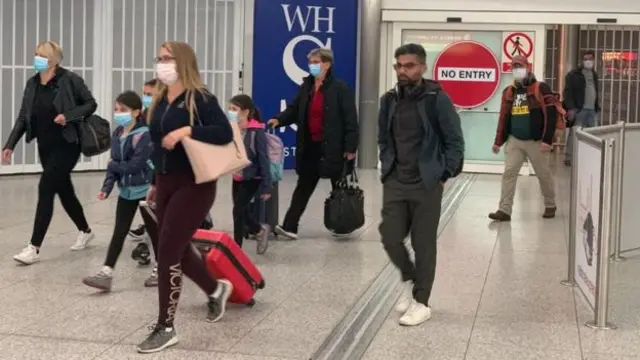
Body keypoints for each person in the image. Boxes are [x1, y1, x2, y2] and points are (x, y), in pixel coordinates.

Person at [136, 41, 233, 354]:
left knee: (167, 251)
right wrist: (154, 182)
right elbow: (156, 144)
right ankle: (216, 289)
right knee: (176, 248)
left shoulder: (200, 97)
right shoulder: (161, 100)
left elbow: (224, 132)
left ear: (184, 63)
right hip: (165, 182)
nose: (162, 63)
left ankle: (166, 326)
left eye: (168, 58)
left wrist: (187, 131)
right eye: (160, 58)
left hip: (195, 183)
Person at [378, 43, 464, 326]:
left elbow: (454, 140)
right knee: (390, 236)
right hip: (396, 180)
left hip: (426, 182)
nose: (403, 70)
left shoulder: (436, 98)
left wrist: (444, 173)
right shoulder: (388, 100)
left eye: (409, 65)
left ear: (422, 67)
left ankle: (421, 301)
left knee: (423, 243)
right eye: (399, 65)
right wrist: (387, 165)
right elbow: (383, 137)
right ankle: (410, 278)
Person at [2, 40, 96, 265]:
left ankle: (33, 247)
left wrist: (68, 115)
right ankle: (85, 230)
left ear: (53, 60)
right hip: (45, 146)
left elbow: (90, 104)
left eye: (41, 55)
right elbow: (23, 116)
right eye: (35, 54)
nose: (36, 58)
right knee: (64, 191)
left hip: (67, 144)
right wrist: (9, 145)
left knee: (45, 187)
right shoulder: (33, 83)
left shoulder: (70, 80)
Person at [267, 47, 359, 239]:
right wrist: (279, 119)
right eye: (311, 63)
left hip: (334, 147)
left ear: (327, 64)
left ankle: (342, 225)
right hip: (310, 145)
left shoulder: (340, 89)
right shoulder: (307, 87)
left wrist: (351, 148)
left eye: (316, 62)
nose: (312, 66)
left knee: (339, 187)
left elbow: (351, 119)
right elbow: (294, 109)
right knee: (303, 186)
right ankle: (290, 226)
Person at [82, 91, 153, 291]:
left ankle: (161, 270)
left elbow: (135, 165)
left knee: (155, 235)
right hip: (126, 192)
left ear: (137, 112)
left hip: (145, 191)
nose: (118, 113)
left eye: (123, 110)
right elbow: (115, 164)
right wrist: (106, 188)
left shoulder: (144, 134)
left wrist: (113, 166)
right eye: (116, 109)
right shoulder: (117, 133)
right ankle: (106, 272)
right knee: (119, 232)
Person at [488, 55, 557, 222]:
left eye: (519, 65)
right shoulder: (509, 91)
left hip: (536, 141)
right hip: (515, 140)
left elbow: (551, 113)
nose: (516, 68)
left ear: (528, 66)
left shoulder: (540, 88)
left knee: (543, 174)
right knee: (509, 173)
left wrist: (547, 140)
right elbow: (504, 117)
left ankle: (550, 204)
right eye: (513, 66)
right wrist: (498, 141)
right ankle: (504, 210)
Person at [229, 94, 272, 254]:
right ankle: (258, 230)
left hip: (252, 177)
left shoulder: (256, 132)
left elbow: (264, 159)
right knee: (241, 209)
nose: (231, 112)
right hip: (237, 176)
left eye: (235, 109)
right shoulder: (232, 129)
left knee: (237, 211)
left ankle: (236, 248)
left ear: (246, 112)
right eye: (230, 109)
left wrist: (267, 186)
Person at [562, 50, 600, 166]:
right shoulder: (573, 75)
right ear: (582, 61)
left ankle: (591, 156)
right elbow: (567, 93)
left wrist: (597, 106)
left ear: (594, 60)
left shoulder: (594, 74)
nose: (588, 61)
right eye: (586, 59)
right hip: (579, 109)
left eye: (590, 59)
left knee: (593, 134)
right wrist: (571, 108)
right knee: (575, 134)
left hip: (592, 109)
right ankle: (569, 158)